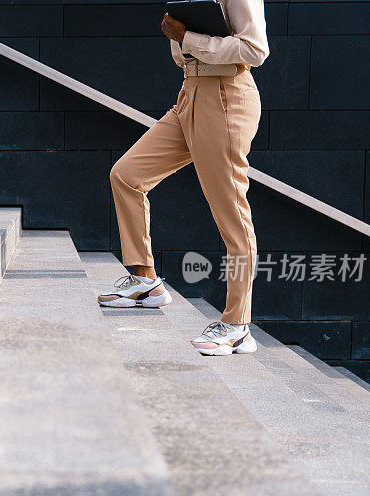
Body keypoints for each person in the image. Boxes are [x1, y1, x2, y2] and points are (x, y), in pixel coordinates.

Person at [97, 0, 269, 356]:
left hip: (226, 97)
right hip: (191, 93)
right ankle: (146, 281)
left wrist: (187, 37)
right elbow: (186, 52)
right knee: (127, 175)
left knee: (232, 218)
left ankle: (237, 326)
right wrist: (184, 41)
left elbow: (255, 50)